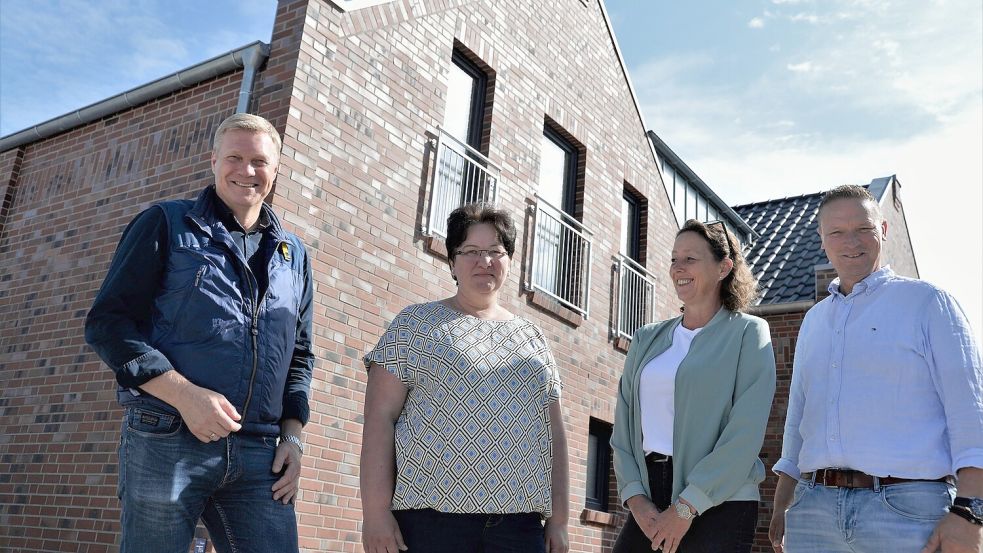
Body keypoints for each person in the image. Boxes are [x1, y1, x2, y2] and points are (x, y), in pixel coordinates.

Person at [84, 113, 314, 553]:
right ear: (213, 161)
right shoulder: (166, 223)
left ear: (276, 168)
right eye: (234, 157)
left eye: (259, 161)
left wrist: (292, 436)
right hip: (166, 436)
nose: (247, 171)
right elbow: (108, 324)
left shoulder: (294, 254)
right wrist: (185, 395)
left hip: (259, 451)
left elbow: (299, 354)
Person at [768, 184, 983, 553]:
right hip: (813, 511)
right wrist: (783, 500)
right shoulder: (814, 321)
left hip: (907, 511)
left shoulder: (929, 303)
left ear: (883, 229)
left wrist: (971, 512)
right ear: (822, 240)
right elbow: (798, 417)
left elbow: (971, 413)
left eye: (863, 228)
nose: (851, 241)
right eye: (836, 232)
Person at [359, 203, 570, 553]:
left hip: (520, 529)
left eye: (494, 252)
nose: (483, 261)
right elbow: (380, 418)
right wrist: (376, 514)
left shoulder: (534, 339)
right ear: (452, 262)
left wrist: (559, 520)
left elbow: (554, 433)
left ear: (509, 260)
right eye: (470, 251)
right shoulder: (414, 325)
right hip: (431, 526)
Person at [611, 219, 777, 553]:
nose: (678, 268)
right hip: (649, 497)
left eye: (690, 258)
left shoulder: (749, 334)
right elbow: (623, 430)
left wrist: (687, 506)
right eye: (674, 259)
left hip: (721, 502)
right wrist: (637, 500)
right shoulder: (646, 338)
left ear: (723, 267)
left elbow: (744, 434)